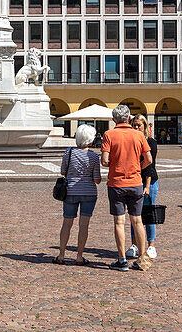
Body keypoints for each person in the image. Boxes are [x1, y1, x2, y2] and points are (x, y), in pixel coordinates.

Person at [100, 104, 152, 271]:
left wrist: (116, 164)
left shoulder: (109, 134)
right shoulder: (138, 135)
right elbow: (149, 159)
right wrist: (137, 167)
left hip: (116, 183)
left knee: (119, 222)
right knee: (138, 220)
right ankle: (142, 259)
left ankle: (122, 260)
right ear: (129, 118)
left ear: (114, 119)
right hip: (136, 182)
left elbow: (105, 161)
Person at [56, 124, 102, 265]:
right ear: (90, 140)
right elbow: (97, 180)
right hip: (88, 192)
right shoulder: (94, 157)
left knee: (67, 223)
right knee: (84, 225)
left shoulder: (68, 152)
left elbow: (63, 172)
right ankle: (79, 256)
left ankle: (61, 254)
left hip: (70, 192)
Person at [126, 117, 160, 261]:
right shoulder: (132, 141)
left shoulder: (150, 142)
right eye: (134, 125)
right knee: (134, 215)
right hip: (134, 181)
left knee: (149, 213)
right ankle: (134, 245)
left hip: (149, 182)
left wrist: (147, 185)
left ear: (145, 126)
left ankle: (151, 245)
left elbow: (150, 166)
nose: (136, 128)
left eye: (139, 125)